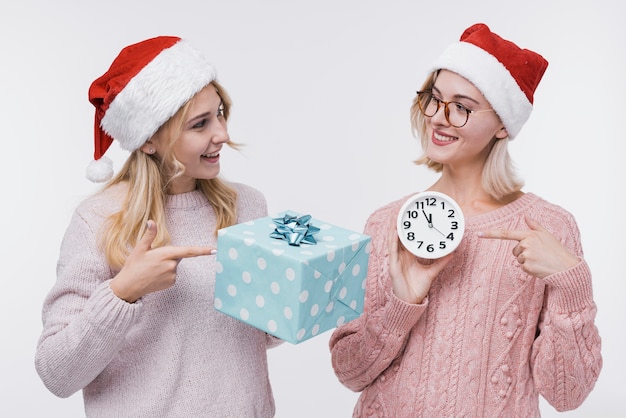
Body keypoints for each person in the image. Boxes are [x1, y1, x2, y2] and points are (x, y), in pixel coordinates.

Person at [329, 23, 602, 417]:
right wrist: (402, 305)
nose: (439, 118)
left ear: (503, 125)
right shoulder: (386, 222)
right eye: (434, 99)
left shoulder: (548, 228)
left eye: (462, 107)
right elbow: (349, 372)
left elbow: (566, 394)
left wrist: (572, 282)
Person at [35, 36, 281, 417]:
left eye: (220, 113)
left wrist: (298, 296)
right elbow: (57, 374)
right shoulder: (99, 221)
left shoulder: (247, 205)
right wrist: (123, 293)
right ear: (148, 140)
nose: (222, 134)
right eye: (200, 124)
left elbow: (252, 339)